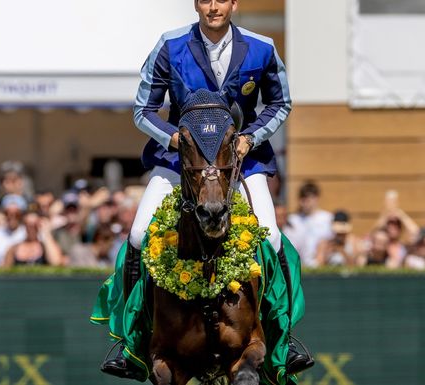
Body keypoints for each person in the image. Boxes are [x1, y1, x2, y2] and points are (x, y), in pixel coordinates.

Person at [95, 0, 311, 381]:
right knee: (139, 233)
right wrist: (174, 138)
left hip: (239, 161)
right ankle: (131, 343)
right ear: (196, 4)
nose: (214, 7)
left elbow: (280, 103)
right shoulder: (170, 44)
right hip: (183, 161)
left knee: (273, 237)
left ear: (234, 4)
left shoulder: (261, 48)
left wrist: (250, 138)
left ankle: (285, 338)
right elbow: (143, 109)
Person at [287, 182, 334, 267]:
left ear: (316, 198)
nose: (306, 202)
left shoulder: (327, 218)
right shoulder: (293, 220)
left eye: (309, 198)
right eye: (303, 198)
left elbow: (331, 244)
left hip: (322, 264)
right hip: (298, 264)